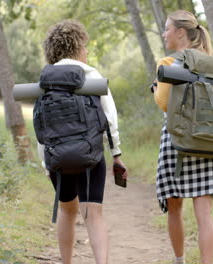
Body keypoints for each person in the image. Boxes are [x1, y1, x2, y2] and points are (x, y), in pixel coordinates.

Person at [39, 20, 128, 264]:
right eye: (85, 47)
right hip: (90, 156)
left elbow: (42, 126)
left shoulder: (46, 78)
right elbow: (110, 118)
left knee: (67, 213)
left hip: (58, 157)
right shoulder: (92, 76)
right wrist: (116, 154)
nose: (86, 52)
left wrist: (46, 163)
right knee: (93, 215)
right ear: (77, 46)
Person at [152, 10, 213, 264]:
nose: (164, 34)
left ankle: (180, 261)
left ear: (179, 32)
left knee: (175, 208)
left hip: (177, 141)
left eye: (167, 29)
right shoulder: (212, 62)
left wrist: (155, 91)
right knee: (204, 214)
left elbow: (165, 103)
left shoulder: (168, 63)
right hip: (207, 141)